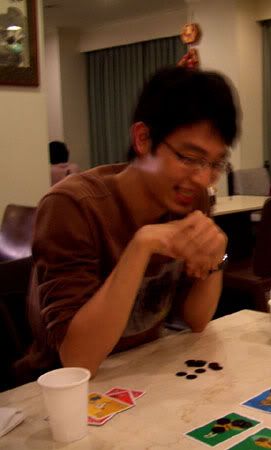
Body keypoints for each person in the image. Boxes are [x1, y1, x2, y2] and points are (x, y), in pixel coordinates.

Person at [15, 66, 238, 381]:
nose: (203, 178)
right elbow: (77, 360)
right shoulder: (73, 206)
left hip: (142, 372)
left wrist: (216, 256)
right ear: (143, 139)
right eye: (189, 158)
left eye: (216, 163)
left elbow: (197, 319)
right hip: (58, 390)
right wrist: (141, 246)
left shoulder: (190, 198)